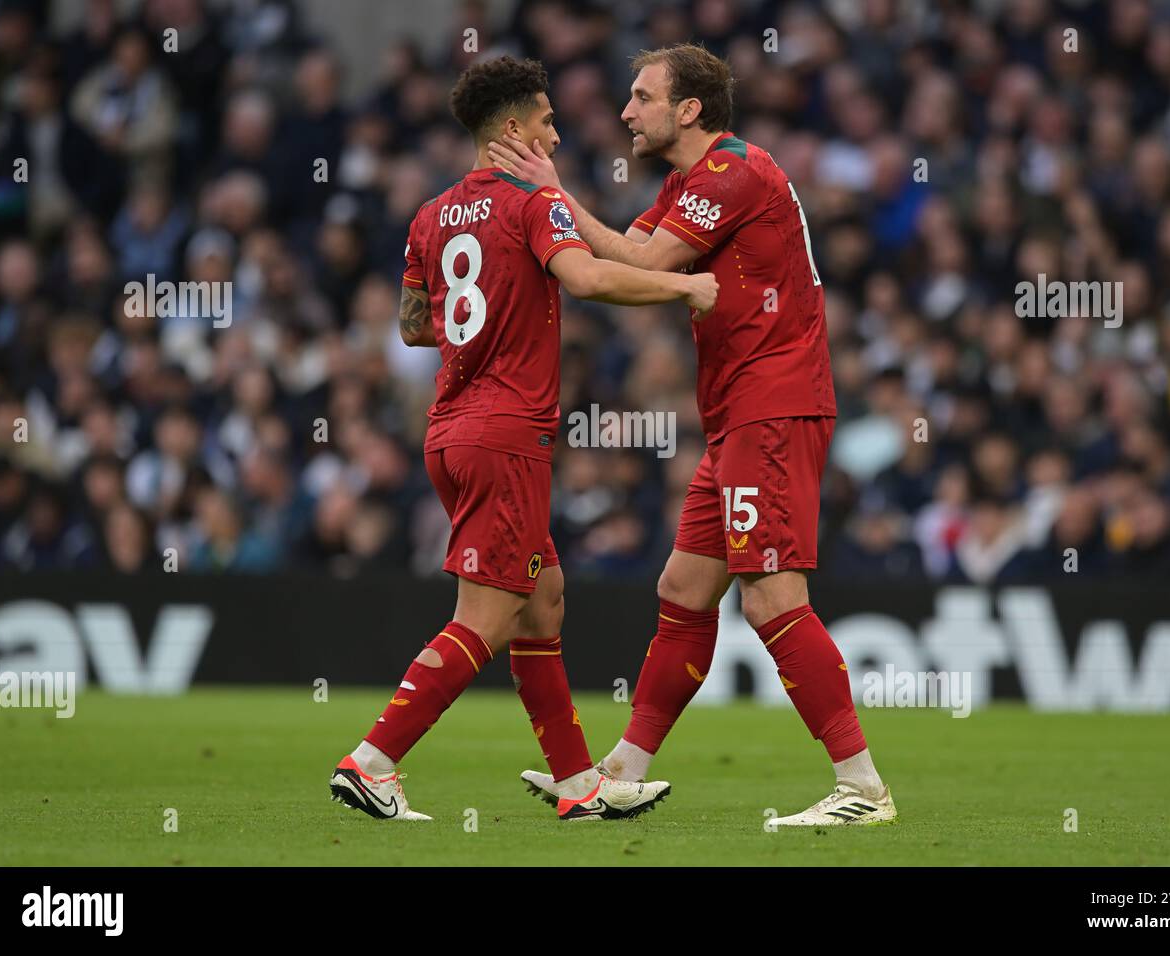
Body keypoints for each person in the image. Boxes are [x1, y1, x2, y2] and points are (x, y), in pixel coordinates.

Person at [491, 44, 895, 826]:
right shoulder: (689, 184)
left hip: (772, 408)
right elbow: (621, 263)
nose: (624, 112)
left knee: (773, 597)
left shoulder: (732, 174)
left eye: (641, 97)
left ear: (689, 110)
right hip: (738, 414)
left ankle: (862, 788)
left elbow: (644, 260)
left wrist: (551, 194)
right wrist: (552, 212)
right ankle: (623, 769)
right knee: (682, 590)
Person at [329, 56, 718, 822]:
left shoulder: (430, 215)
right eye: (546, 119)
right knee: (488, 615)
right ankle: (374, 760)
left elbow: (414, 327)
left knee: (542, 602)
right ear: (512, 129)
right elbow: (589, 280)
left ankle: (577, 786)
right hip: (508, 433)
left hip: (450, 430)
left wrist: (477, 321)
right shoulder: (534, 201)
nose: (557, 130)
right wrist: (684, 286)